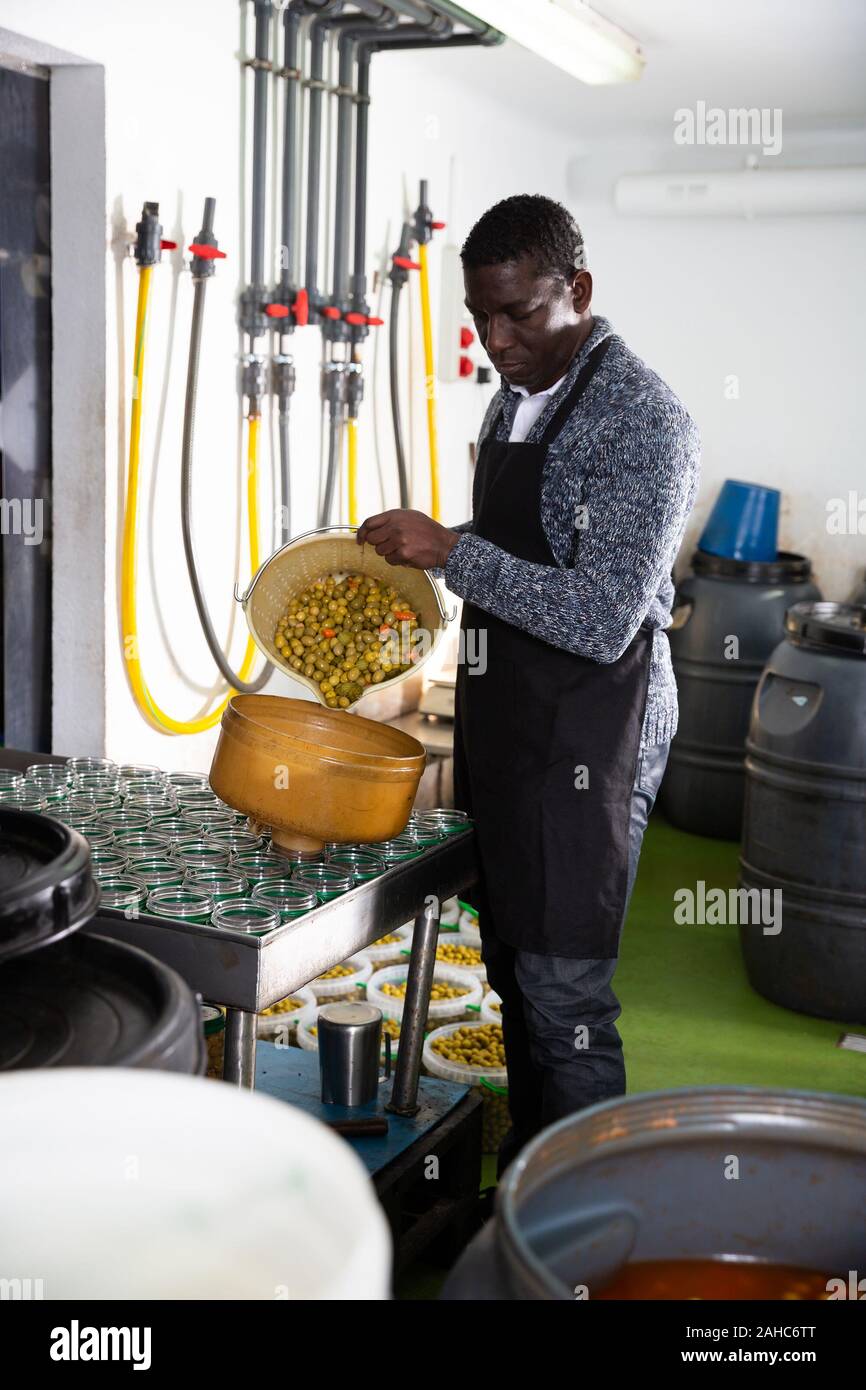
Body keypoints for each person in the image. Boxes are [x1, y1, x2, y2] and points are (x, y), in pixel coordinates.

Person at [358, 193, 701, 1174]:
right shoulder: (515, 396)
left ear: (577, 291)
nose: (494, 339)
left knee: (563, 991)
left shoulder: (643, 422)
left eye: (516, 314)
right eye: (478, 316)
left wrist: (449, 553)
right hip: (510, 717)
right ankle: (529, 1179)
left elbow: (599, 618)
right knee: (510, 962)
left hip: (594, 731)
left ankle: (584, 1217)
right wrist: (431, 546)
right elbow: (527, 548)